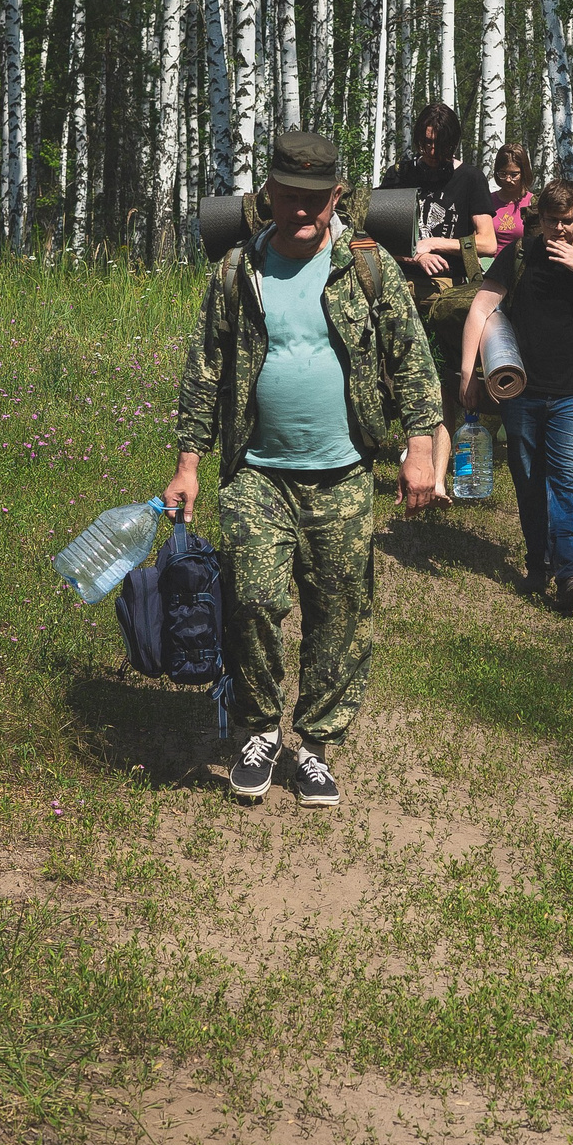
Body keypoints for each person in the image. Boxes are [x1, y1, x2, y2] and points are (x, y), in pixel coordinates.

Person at [167, 129, 444, 809]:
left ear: (337, 198)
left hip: (345, 472)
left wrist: (421, 451)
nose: (300, 211)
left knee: (340, 611)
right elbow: (204, 372)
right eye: (288, 198)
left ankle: (315, 745)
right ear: (269, 194)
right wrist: (188, 466)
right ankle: (260, 730)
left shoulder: (367, 265)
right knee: (254, 599)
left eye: (314, 201)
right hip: (256, 473)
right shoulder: (239, 270)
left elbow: (412, 362)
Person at [458, 179, 573, 612]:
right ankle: (539, 560)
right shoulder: (519, 255)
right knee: (530, 479)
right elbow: (481, 308)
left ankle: (572, 570)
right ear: (539, 220)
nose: (556, 230)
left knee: (568, 476)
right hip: (522, 393)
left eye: (565, 223)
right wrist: (467, 374)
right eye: (550, 221)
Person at [377, 103, 498, 500]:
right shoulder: (399, 176)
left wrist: (436, 242)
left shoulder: (470, 179)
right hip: (400, 289)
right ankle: (408, 458)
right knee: (393, 380)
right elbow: (374, 236)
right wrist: (414, 254)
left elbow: (487, 241)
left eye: (439, 146)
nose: (431, 152)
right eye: (425, 144)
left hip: (448, 296)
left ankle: (442, 480)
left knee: (446, 384)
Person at [489, 144, 535, 252]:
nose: (508, 179)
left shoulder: (533, 203)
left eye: (514, 175)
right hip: (490, 265)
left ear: (524, 173)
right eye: (503, 174)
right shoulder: (488, 201)